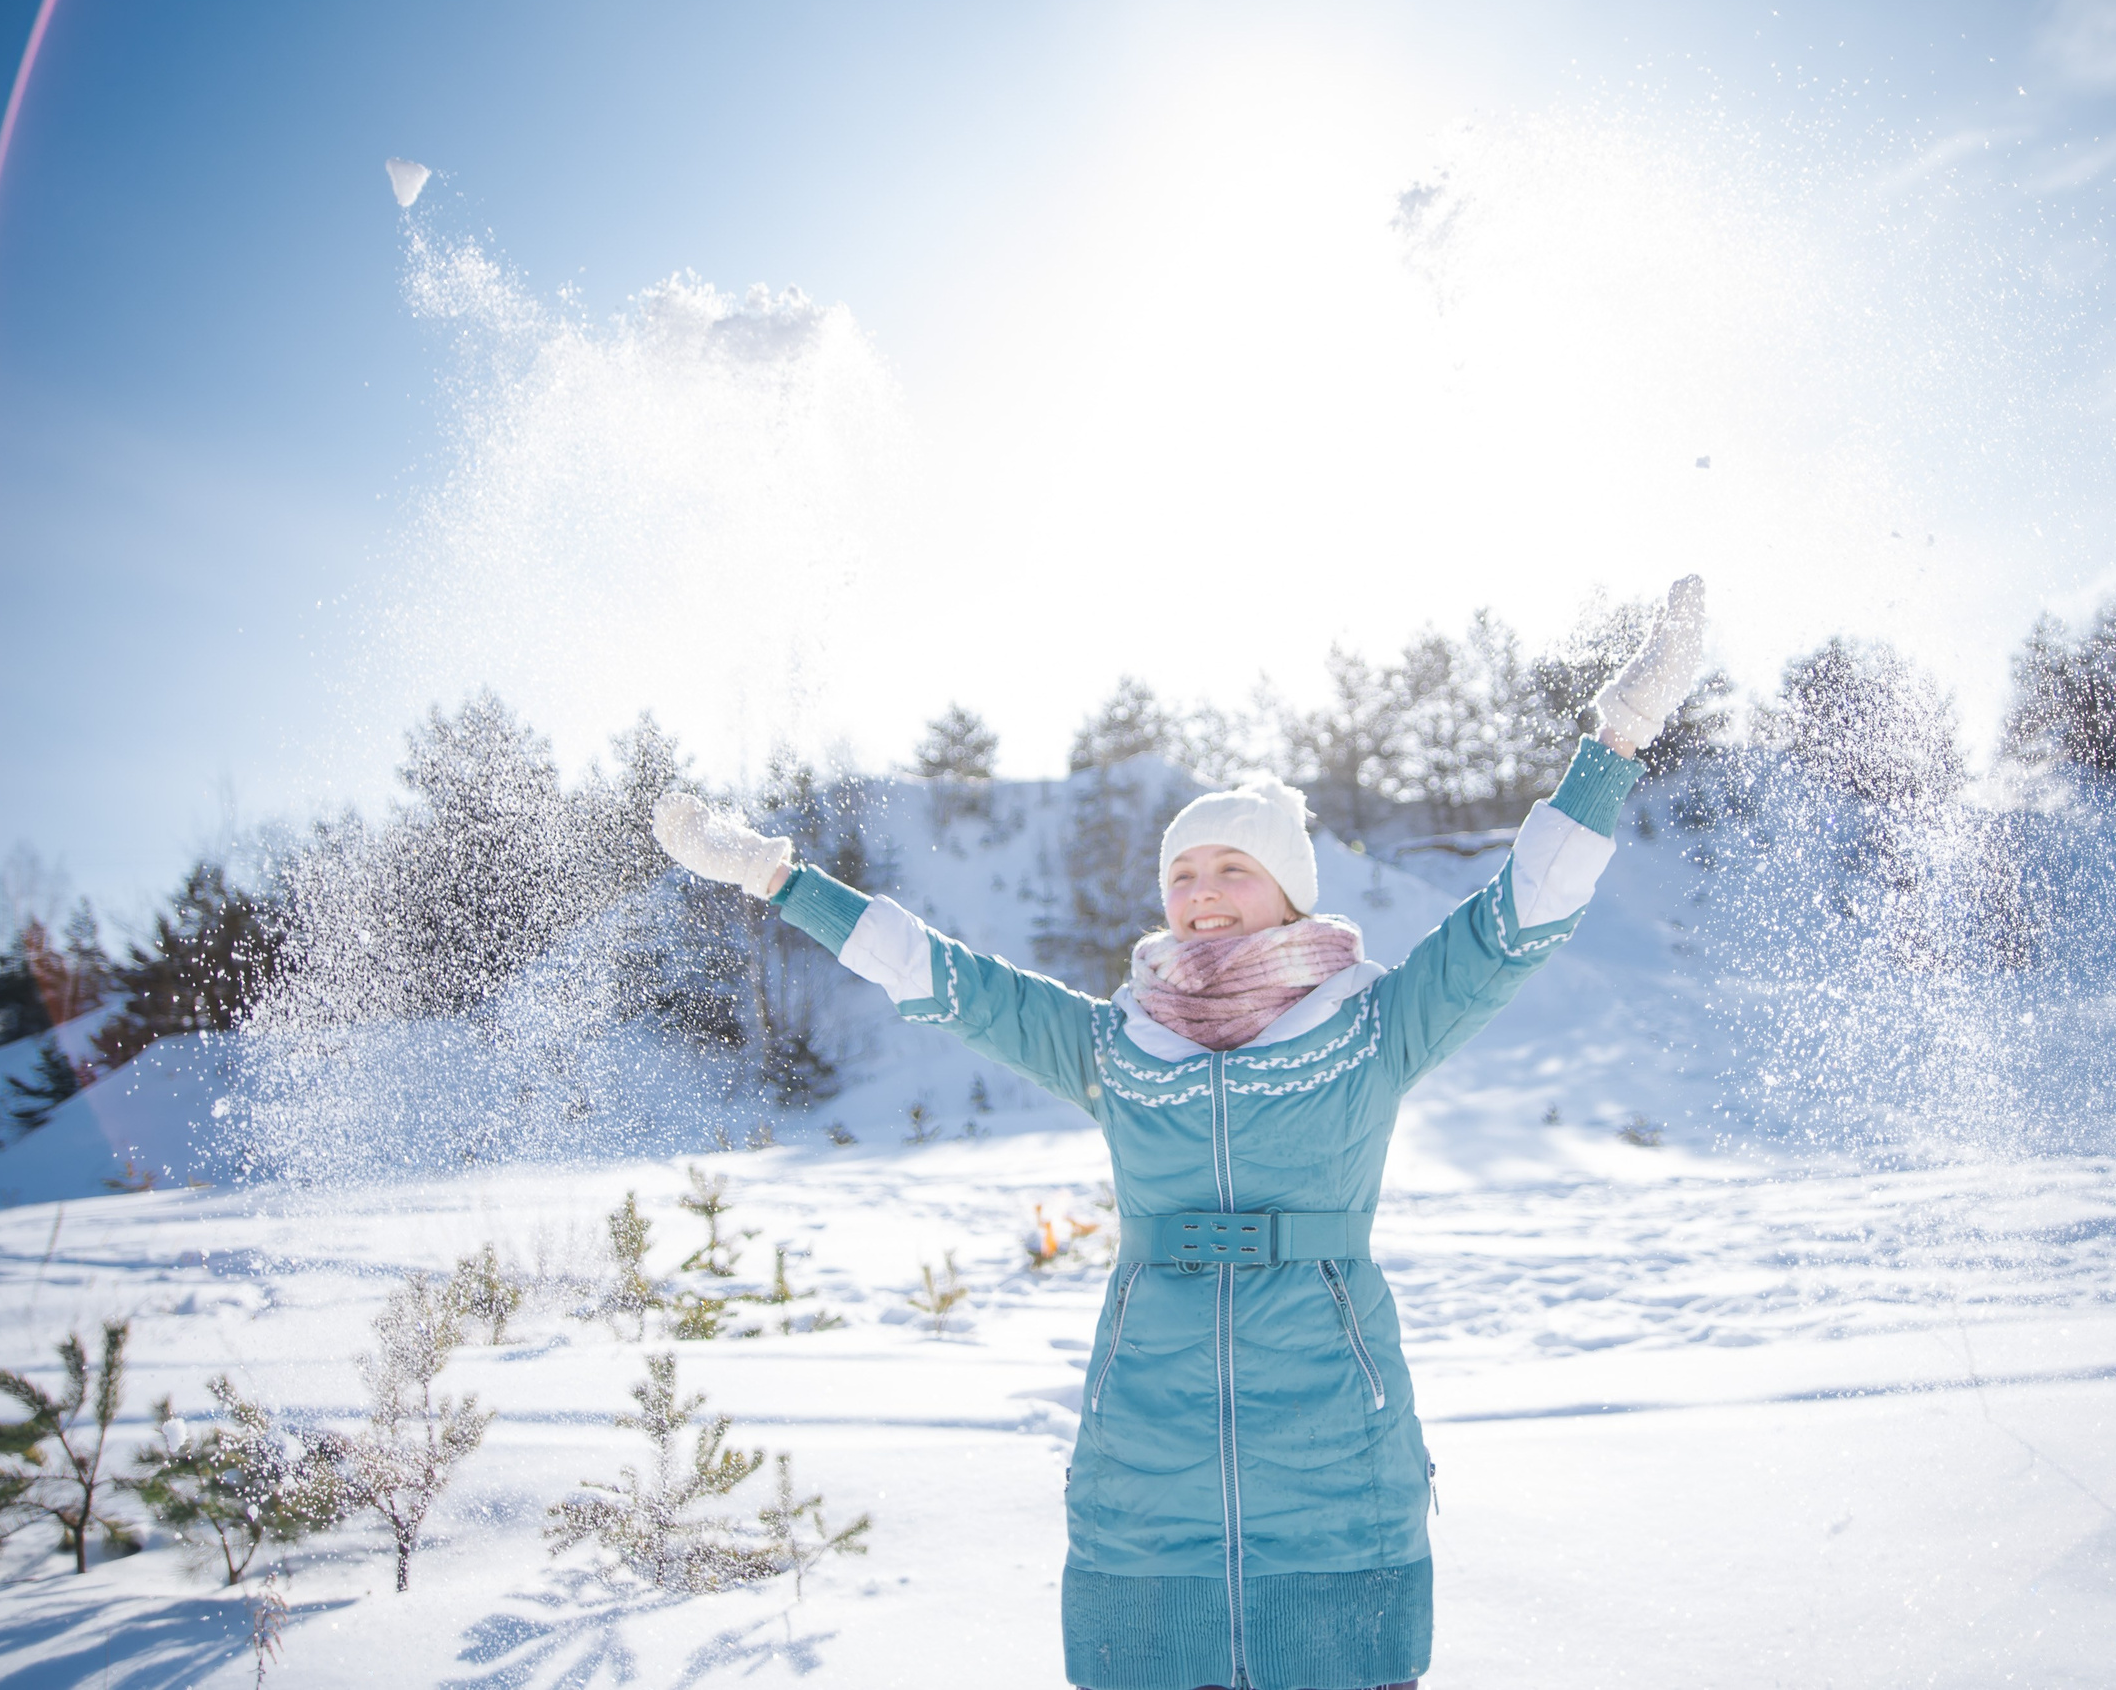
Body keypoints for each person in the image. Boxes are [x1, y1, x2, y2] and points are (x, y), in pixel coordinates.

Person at [652, 577, 1709, 1690]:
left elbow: (1522, 915)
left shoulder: (1374, 1023)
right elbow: (940, 977)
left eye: (1232, 867)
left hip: (1331, 1433)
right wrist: (777, 876)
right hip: (1146, 1441)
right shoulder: (1114, 1047)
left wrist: (1619, 736)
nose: (1202, 892)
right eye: (1183, 875)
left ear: (1290, 891)